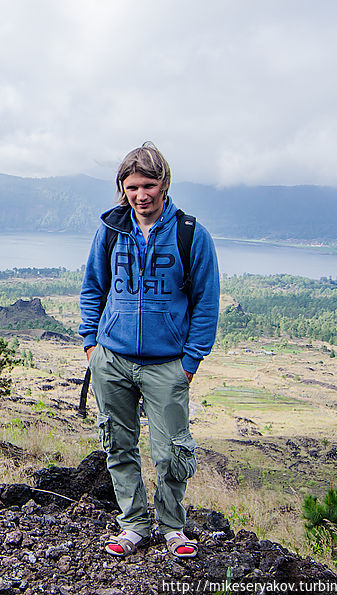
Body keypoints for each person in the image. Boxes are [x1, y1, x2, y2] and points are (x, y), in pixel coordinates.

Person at [78, 142, 220, 558]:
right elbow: (92, 288)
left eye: (150, 185)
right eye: (133, 186)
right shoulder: (110, 230)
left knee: (172, 450)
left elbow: (206, 303)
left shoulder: (189, 233)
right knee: (117, 444)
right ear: (122, 188)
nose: (142, 195)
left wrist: (190, 362)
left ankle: (174, 527)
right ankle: (133, 524)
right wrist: (91, 345)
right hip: (112, 360)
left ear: (165, 184)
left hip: (167, 364)